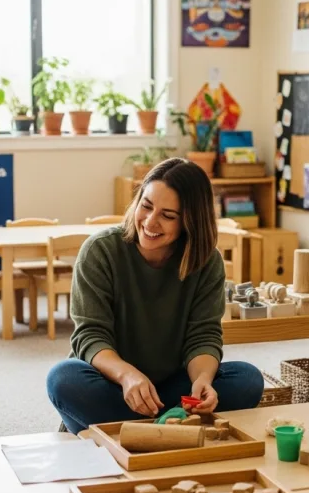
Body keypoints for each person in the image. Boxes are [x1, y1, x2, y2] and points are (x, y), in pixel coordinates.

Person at [47, 158, 264, 434]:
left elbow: (204, 336)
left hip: (172, 385)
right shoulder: (100, 251)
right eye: (146, 206)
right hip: (113, 382)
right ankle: (170, 428)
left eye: (168, 215)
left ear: (190, 222)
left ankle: (129, 430)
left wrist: (203, 380)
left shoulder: (207, 262)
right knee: (62, 378)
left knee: (247, 379)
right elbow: (90, 336)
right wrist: (127, 376)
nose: (150, 222)